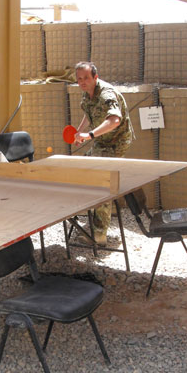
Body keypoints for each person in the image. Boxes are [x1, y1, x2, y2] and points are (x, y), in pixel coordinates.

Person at [72, 60, 134, 248]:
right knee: (83, 170)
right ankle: (94, 215)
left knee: (102, 183)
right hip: (101, 141)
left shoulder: (106, 94)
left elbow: (115, 120)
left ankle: (99, 234)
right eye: (79, 79)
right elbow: (90, 114)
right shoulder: (88, 94)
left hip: (115, 142)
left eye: (86, 78)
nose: (82, 82)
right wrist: (79, 131)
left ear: (95, 77)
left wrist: (89, 135)